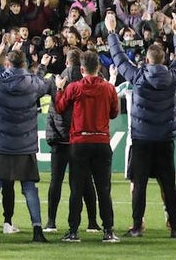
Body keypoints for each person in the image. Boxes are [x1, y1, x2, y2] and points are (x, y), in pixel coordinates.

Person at [106, 9, 176, 238]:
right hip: (164, 140)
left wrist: (112, 32)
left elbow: (119, 59)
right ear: (164, 60)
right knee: (169, 186)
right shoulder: (173, 77)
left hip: (141, 139)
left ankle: (136, 226)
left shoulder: (138, 77)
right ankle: (175, 227)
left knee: (139, 185)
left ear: (146, 60)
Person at [0, 48, 52, 244]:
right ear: (24, 64)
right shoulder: (32, 82)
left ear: (8, 63)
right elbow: (44, 85)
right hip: (25, 145)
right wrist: (42, 67)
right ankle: (37, 230)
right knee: (29, 188)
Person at [54, 49, 120, 243]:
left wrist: (59, 88)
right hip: (101, 142)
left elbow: (59, 108)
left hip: (80, 142)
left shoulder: (74, 87)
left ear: (82, 69)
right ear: (98, 67)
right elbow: (114, 113)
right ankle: (108, 230)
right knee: (103, 189)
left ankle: (73, 231)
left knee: (77, 188)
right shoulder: (108, 88)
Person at [44, 50, 98, 233]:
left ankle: (51, 221)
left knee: (56, 181)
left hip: (59, 141)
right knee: (85, 182)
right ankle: (92, 222)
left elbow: (54, 109)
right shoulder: (85, 83)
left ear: (66, 63)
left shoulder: (56, 81)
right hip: (80, 138)